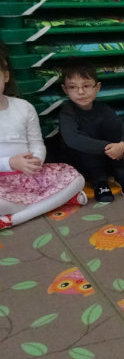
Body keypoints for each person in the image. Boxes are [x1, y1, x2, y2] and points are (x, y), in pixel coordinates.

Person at [0, 49, 86, 229]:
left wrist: (36, 161)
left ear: (6, 76)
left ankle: (16, 218)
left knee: (77, 179)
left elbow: (37, 143)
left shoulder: (24, 107)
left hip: (29, 176)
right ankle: (53, 201)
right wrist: (11, 163)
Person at [58, 58, 124, 202]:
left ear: (97, 87)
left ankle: (121, 175)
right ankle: (99, 182)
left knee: (113, 126)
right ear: (65, 89)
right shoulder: (67, 113)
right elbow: (73, 139)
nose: (80, 92)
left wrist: (122, 145)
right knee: (83, 140)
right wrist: (108, 148)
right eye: (73, 87)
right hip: (85, 164)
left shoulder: (104, 108)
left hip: (110, 158)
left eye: (86, 86)